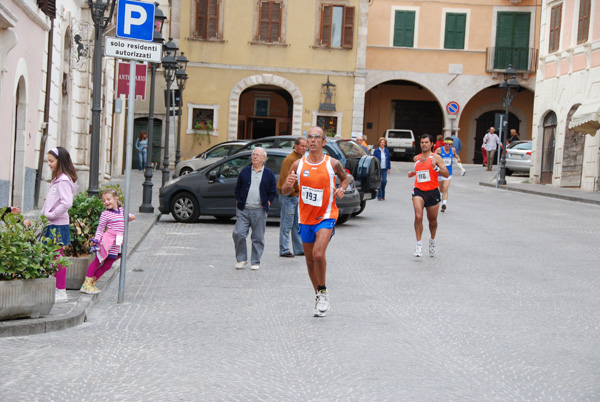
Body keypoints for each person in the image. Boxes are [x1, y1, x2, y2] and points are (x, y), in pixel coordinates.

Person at [282, 126, 349, 317]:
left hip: (327, 215)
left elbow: (345, 179)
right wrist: (287, 185)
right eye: (309, 137)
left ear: (323, 142)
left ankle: (322, 290)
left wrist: (341, 189)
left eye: (316, 137)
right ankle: (320, 295)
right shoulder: (297, 165)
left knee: (319, 254)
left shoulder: (332, 164)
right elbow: (286, 192)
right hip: (305, 218)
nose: (312, 140)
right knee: (310, 261)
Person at [81, 188, 136, 294]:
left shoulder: (122, 211)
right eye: (104, 200)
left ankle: (92, 282)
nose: (106, 202)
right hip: (108, 240)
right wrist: (96, 240)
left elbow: (126, 217)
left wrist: (131, 216)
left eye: (108, 199)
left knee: (109, 264)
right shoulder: (105, 214)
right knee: (98, 260)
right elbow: (100, 228)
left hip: (117, 242)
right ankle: (86, 284)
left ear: (116, 199)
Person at [41, 146, 78, 303]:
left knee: (57, 257)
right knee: (54, 257)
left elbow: (66, 203)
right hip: (52, 223)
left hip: (57, 224)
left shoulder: (63, 181)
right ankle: (57, 289)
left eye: (51, 161)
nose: (48, 164)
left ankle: (61, 291)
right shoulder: (58, 179)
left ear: (60, 161)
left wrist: (51, 214)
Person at [233, 147, 277, 270]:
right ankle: (241, 259)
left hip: (259, 210)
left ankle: (255, 261)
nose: (254, 157)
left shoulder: (268, 174)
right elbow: (238, 187)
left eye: (257, 155)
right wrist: (238, 200)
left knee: (258, 237)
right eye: (253, 154)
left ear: (264, 158)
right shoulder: (245, 171)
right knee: (238, 233)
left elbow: (273, 191)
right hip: (243, 209)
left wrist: (268, 201)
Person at [407, 134, 449, 257]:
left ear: (432, 144)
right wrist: (413, 173)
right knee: (418, 216)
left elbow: (446, 174)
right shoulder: (417, 158)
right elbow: (421, 171)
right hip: (418, 191)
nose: (424, 144)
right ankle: (418, 244)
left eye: (426, 142)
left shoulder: (436, 158)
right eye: (422, 142)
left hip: (432, 192)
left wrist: (436, 168)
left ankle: (432, 240)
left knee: (432, 221)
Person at [277, 137, 308, 258]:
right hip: (289, 196)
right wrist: (293, 193)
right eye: (302, 146)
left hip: (296, 196)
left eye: (306, 146)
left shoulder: (301, 159)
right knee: (286, 224)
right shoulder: (289, 160)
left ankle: (298, 248)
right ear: (295, 146)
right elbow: (287, 180)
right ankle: (284, 249)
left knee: (297, 224)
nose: (304, 148)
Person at [435, 138, 462, 212]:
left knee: (445, 188)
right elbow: (433, 158)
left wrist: (458, 158)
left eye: (449, 144)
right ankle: (443, 197)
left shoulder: (452, 150)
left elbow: (455, 155)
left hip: (448, 172)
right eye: (446, 144)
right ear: (444, 143)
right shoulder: (439, 150)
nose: (447, 145)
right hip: (440, 173)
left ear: (451, 145)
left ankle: (444, 203)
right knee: (441, 189)